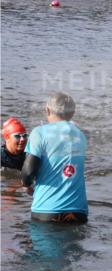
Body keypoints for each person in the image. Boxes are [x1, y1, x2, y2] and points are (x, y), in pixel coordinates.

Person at [21, 93, 88, 224]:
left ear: (47, 110)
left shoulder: (39, 132)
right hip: (78, 210)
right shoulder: (81, 135)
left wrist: (26, 185)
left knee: (43, 244)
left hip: (47, 209)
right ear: (73, 113)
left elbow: (28, 171)